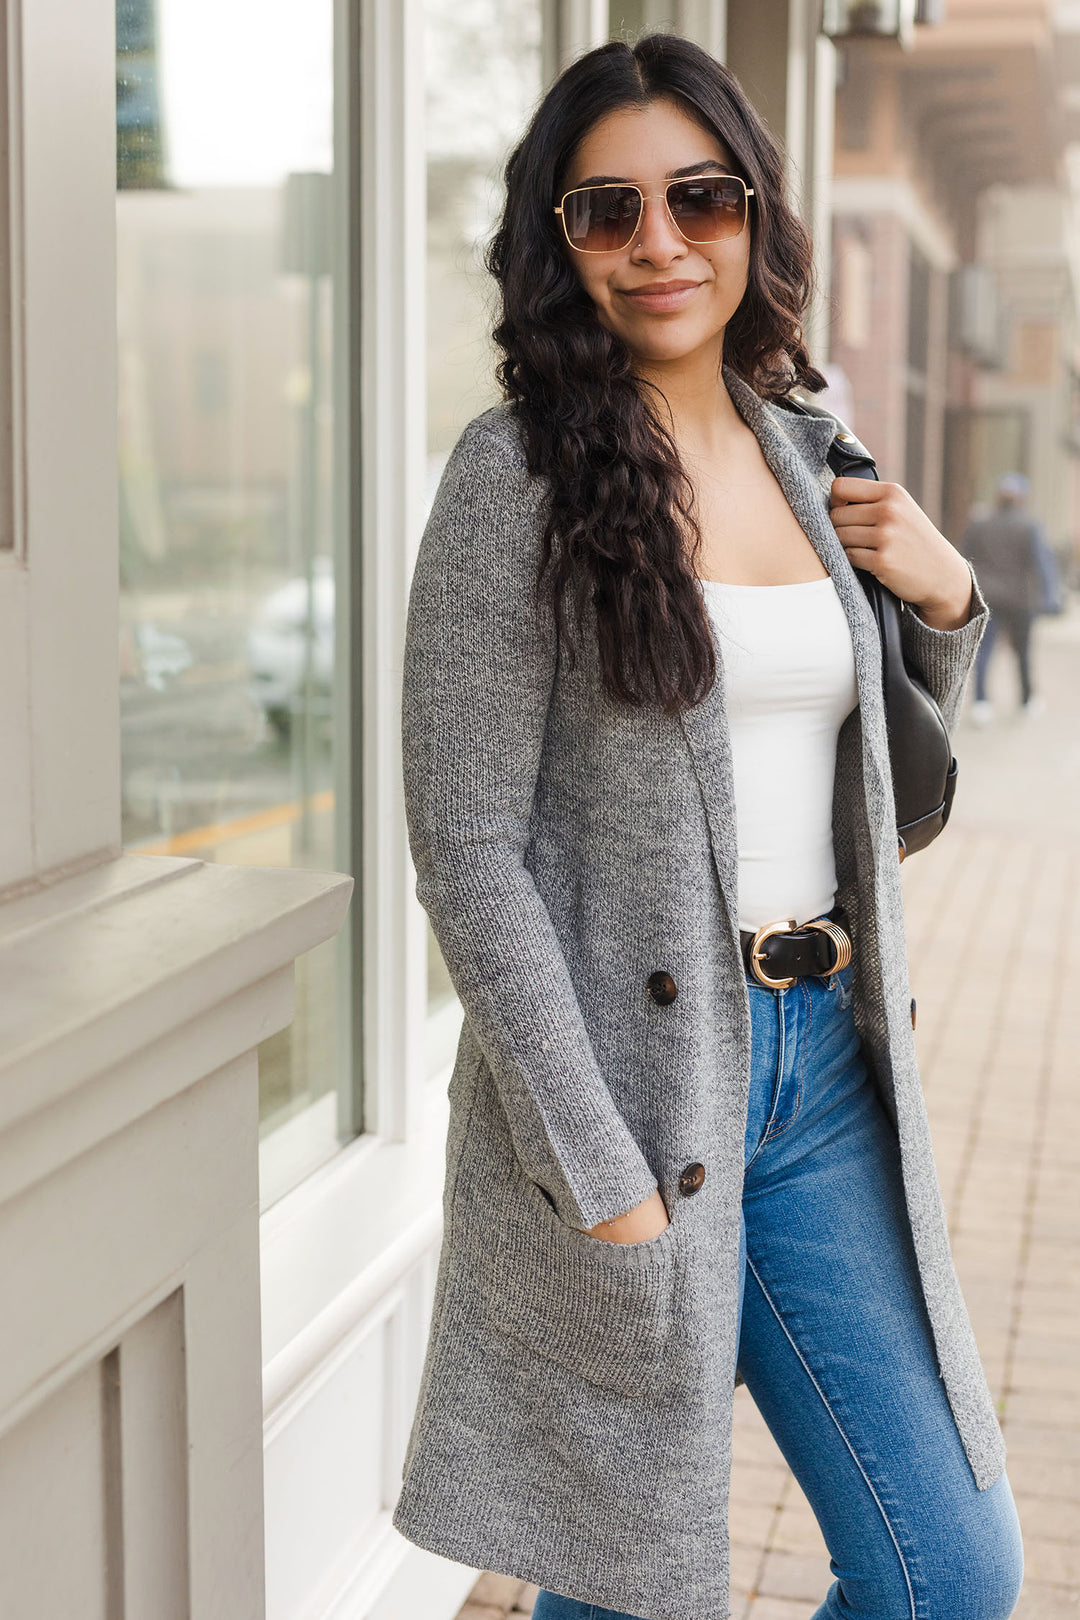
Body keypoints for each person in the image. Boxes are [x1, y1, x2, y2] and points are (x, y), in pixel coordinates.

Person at [394, 35, 1023, 1620]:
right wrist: (597, 1168)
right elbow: (469, 850)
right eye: (608, 210)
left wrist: (945, 602)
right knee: (632, 1583)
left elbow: (891, 802)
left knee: (947, 1569)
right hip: (621, 1092)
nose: (661, 244)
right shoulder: (515, 481)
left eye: (700, 198)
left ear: (754, 218)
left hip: (817, 1071)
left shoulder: (816, 461)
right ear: (559, 241)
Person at [963, 472, 1049, 724]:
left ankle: (981, 703)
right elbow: (1041, 563)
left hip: (988, 595)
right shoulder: (1029, 525)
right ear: (1021, 498)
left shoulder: (979, 523)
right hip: (1021, 598)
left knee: (985, 650)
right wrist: (1048, 596)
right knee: (1022, 652)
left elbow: (963, 558)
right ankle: (1026, 701)